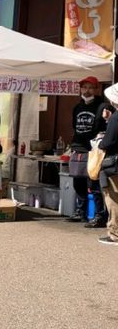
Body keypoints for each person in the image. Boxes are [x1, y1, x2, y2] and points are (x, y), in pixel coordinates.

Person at [68, 76, 106, 227]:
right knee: (78, 182)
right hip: (78, 148)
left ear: (96, 89)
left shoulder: (102, 106)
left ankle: (99, 215)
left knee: (94, 184)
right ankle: (80, 212)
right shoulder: (77, 107)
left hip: (94, 150)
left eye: (90, 87)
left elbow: (104, 128)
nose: (87, 90)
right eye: (84, 87)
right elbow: (73, 126)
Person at [97, 83, 118, 244]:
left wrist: (100, 142)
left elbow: (107, 142)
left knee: (113, 198)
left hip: (114, 164)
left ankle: (114, 233)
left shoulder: (116, 117)